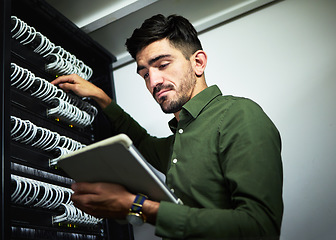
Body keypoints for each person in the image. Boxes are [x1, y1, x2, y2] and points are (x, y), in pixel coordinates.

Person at [51, 14, 283, 239]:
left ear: (198, 63)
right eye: (144, 75)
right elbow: (140, 142)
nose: (153, 82)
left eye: (162, 65)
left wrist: (137, 207)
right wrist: (102, 98)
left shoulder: (239, 115)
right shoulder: (179, 139)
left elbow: (260, 228)